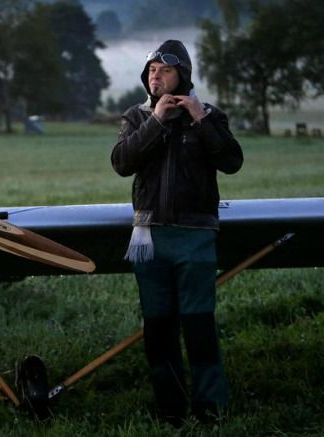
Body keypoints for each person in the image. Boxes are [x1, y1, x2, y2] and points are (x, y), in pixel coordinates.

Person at [110, 40, 243, 426]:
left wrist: (200, 119)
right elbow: (121, 162)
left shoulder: (210, 115)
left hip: (195, 235)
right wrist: (156, 122)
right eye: (151, 70)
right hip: (148, 236)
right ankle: (171, 410)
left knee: (199, 326)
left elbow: (231, 161)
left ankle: (210, 409)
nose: (155, 76)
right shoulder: (136, 117)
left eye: (164, 70)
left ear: (182, 75)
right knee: (158, 328)